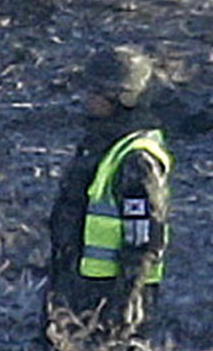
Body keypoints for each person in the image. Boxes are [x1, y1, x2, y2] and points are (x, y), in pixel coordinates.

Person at [42, 47, 171, 351]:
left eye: (96, 91)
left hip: (108, 294)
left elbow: (143, 240)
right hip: (76, 283)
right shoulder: (99, 142)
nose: (87, 98)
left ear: (122, 98)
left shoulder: (137, 159)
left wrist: (126, 301)